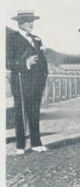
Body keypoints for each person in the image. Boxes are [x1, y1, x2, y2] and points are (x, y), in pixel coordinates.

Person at [6, 10, 48, 155]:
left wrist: (43, 77)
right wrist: (26, 63)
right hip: (20, 81)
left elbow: (43, 61)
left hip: (37, 82)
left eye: (32, 20)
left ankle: (36, 143)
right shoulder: (11, 38)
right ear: (19, 23)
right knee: (21, 113)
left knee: (34, 112)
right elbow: (7, 62)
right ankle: (20, 146)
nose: (31, 24)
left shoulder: (37, 39)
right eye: (27, 21)